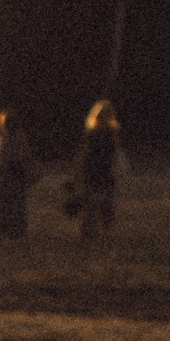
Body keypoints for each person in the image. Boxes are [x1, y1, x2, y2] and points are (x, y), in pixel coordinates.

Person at [73, 100, 122, 243]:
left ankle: (91, 233)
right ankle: (97, 233)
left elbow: (85, 154)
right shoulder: (105, 133)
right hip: (100, 170)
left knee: (96, 203)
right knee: (101, 203)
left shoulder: (95, 133)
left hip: (97, 170)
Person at [0, 111, 35, 240]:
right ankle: (6, 229)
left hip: (13, 173)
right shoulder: (6, 137)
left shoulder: (15, 137)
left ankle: (13, 229)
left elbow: (17, 156)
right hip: (7, 173)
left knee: (13, 202)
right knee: (7, 202)